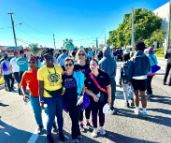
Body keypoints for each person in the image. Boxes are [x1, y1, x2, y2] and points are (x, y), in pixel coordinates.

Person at [38, 49, 65, 143]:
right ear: (43, 58)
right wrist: (41, 100)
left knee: (60, 116)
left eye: (50, 56)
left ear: (53, 57)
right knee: (51, 117)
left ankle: (61, 132)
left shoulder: (58, 67)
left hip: (59, 96)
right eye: (46, 57)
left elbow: (64, 79)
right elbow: (40, 86)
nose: (49, 59)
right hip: (49, 97)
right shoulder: (41, 70)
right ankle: (49, 134)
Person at [85, 59, 111, 137]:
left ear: (98, 65)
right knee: (94, 114)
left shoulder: (104, 75)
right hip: (93, 99)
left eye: (94, 64)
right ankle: (95, 129)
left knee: (102, 113)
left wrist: (110, 98)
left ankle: (102, 128)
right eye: (90, 65)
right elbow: (85, 89)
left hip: (103, 98)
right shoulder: (88, 76)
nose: (92, 66)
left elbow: (109, 87)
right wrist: (93, 95)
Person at [62, 57, 84, 143]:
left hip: (77, 99)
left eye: (70, 64)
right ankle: (77, 133)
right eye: (66, 65)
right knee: (73, 117)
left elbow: (82, 86)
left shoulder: (78, 74)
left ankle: (74, 135)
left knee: (76, 117)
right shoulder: (63, 76)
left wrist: (82, 96)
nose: (68, 66)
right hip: (67, 100)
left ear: (73, 65)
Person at [20, 56, 44, 134]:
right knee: (37, 113)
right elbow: (22, 85)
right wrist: (24, 94)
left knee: (48, 111)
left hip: (44, 96)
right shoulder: (25, 74)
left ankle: (53, 124)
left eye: (33, 62)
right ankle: (40, 126)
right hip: (33, 97)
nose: (31, 64)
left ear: (37, 63)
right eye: (29, 62)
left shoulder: (41, 72)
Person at [128, 41, 150, 117]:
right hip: (143, 78)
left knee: (136, 94)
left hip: (134, 79)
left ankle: (137, 109)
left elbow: (130, 71)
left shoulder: (132, 58)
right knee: (143, 95)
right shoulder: (146, 58)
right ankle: (144, 111)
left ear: (136, 48)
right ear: (144, 48)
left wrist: (129, 80)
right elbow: (149, 69)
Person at [74, 49, 91, 130]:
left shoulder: (88, 65)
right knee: (80, 107)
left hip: (88, 89)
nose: (81, 55)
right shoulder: (74, 66)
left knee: (88, 106)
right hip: (79, 91)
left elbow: (92, 76)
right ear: (77, 55)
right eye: (79, 54)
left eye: (83, 54)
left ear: (85, 56)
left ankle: (88, 121)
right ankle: (81, 123)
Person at [99, 46, 117, 114]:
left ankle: (103, 106)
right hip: (111, 80)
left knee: (103, 93)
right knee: (112, 93)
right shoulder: (113, 61)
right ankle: (111, 107)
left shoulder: (100, 61)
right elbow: (115, 72)